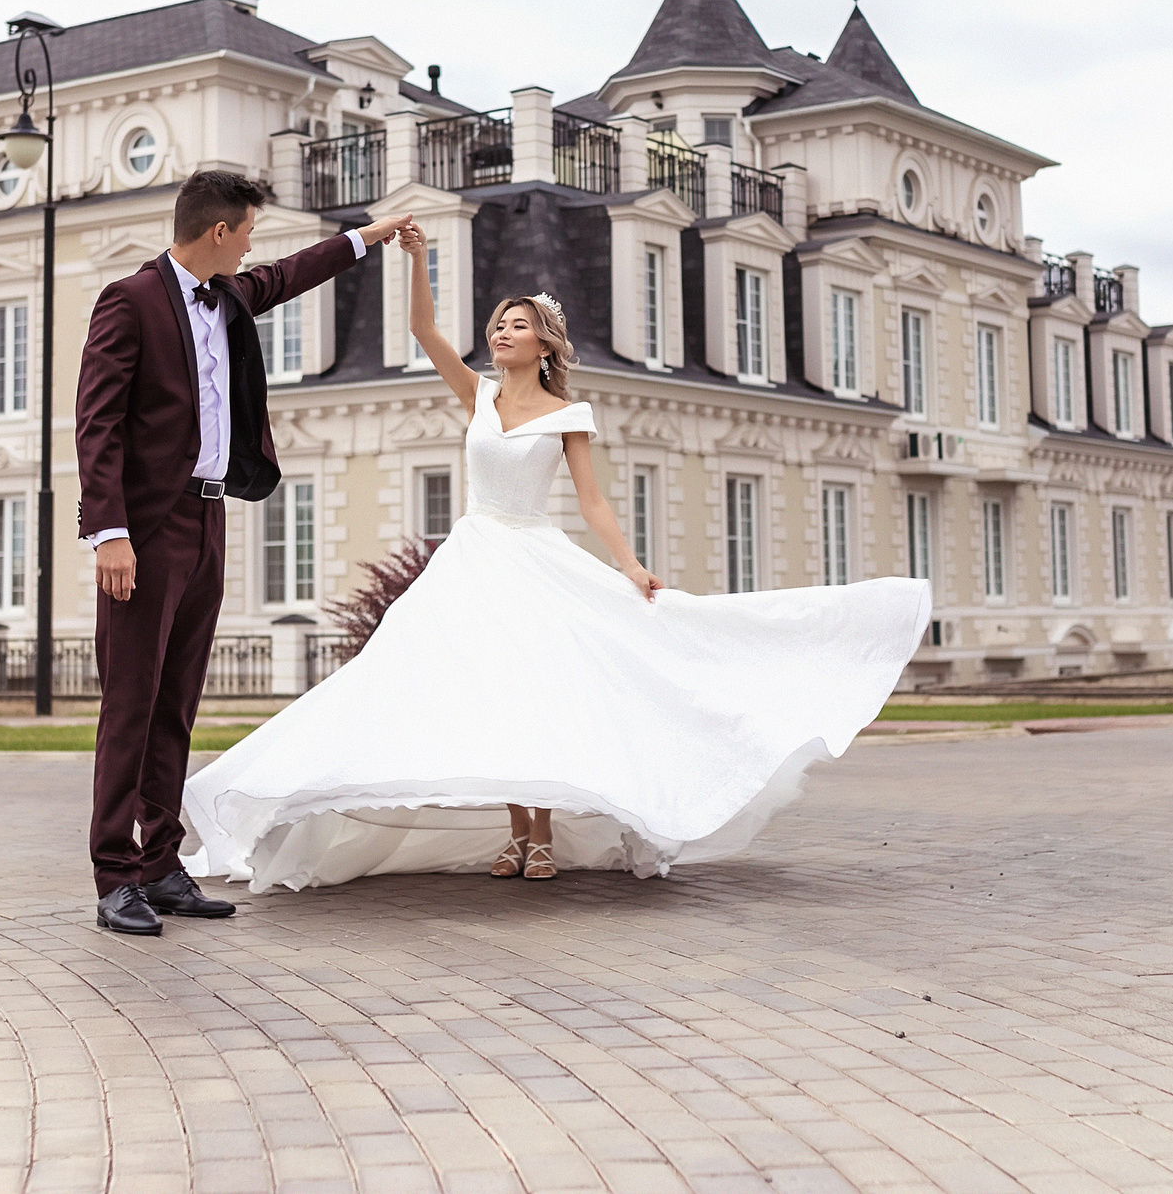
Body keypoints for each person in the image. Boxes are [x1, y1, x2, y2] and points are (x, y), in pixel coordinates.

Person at [182, 219, 931, 893]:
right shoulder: (476, 394)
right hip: (474, 560)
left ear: (544, 342)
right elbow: (420, 327)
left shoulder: (571, 413)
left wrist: (631, 566)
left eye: (516, 324)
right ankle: (518, 833)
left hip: (534, 556)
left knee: (535, 691)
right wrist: (412, 257)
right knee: (489, 694)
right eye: (498, 323)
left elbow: (594, 501)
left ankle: (539, 838)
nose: (501, 332)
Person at [76, 169, 412, 936]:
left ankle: (161, 863)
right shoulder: (128, 302)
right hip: (146, 531)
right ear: (220, 232)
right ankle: (114, 875)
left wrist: (373, 234)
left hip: (208, 520)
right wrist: (111, 531)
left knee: (176, 704)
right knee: (131, 705)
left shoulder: (227, 295)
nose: (256, 243)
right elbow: (96, 421)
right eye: (250, 230)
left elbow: (291, 275)